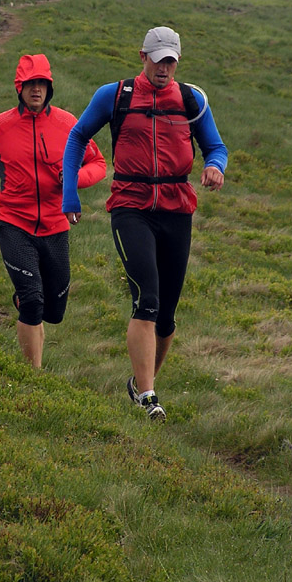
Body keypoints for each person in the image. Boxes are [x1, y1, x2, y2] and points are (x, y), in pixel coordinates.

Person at [62, 27, 228, 421]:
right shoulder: (114, 95)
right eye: (158, 60)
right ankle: (149, 398)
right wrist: (70, 194)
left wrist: (214, 166)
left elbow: (215, 146)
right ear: (143, 57)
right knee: (147, 300)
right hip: (131, 207)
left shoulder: (191, 99)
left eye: (171, 61)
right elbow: (77, 137)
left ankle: (141, 383)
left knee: (166, 316)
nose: (164, 68)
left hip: (176, 209)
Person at [0, 54, 106, 369]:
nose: (36, 90)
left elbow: (98, 163)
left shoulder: (68, 124)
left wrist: (74, 179)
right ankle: (32, 374)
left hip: (55, 226)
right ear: (19, 88)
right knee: (33, 300)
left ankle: (26, 301)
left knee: (54, 311)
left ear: (50, 88)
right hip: (14, 223)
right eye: (30, 84)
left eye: (42, 84)